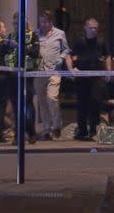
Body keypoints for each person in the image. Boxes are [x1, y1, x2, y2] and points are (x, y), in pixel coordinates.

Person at [70, 17, 112, 141]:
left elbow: (107, 56)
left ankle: (93, 130)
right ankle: (82, 131)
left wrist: (108, 71)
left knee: (94, 102)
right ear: (85, 28)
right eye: (91, 28)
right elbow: (70, 56)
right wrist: (73, 68)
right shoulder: (79, 41)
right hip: (82, 77)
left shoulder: (101, 41)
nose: (93, 30)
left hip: (96, 77)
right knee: (82, 104)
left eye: (95, 28)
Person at [35, 9, 73, 140]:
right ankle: (47, 128)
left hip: (54, 71)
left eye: (45, 22)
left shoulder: (60, 34)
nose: (43, 24)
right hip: (39, 72)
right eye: (41, 22)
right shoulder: (36, 34)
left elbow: (66, 49)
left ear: (51, 22)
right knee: (42, 102)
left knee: (52, 98)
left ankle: (56, 126)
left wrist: (62, 58)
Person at [6, 12, 41, 145]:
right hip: (14, 75)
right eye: (14, 24)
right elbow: (7, 55)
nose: (15, 26)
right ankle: (18, 135)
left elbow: (35, 53)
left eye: (18, 24)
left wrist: (20, 47)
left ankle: (31, 133)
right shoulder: (11, 36)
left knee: (27, 104)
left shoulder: (32, 36)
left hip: (27, 74)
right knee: (15, 106)